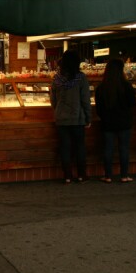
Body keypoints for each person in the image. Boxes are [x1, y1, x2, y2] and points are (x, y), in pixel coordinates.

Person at [50, 50, 92, 184]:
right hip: (77, 118)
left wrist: (58, 110)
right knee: (79, 147)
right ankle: (81, 175)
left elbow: (53, 100)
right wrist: (88, 117)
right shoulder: (81, 78)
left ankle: (67, 176)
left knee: (65, 147)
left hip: (61, 118)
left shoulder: (56, 78)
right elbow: (85, 100)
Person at [95, 58, 136, 183]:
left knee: (108, 148)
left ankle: (108, 176)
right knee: (124, 148)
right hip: (124, 122)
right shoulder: (126, 86)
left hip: (107, 122)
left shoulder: (101, 88)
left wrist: (103, 117)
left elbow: (99, 108)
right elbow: (133, 102)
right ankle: (124, 175)